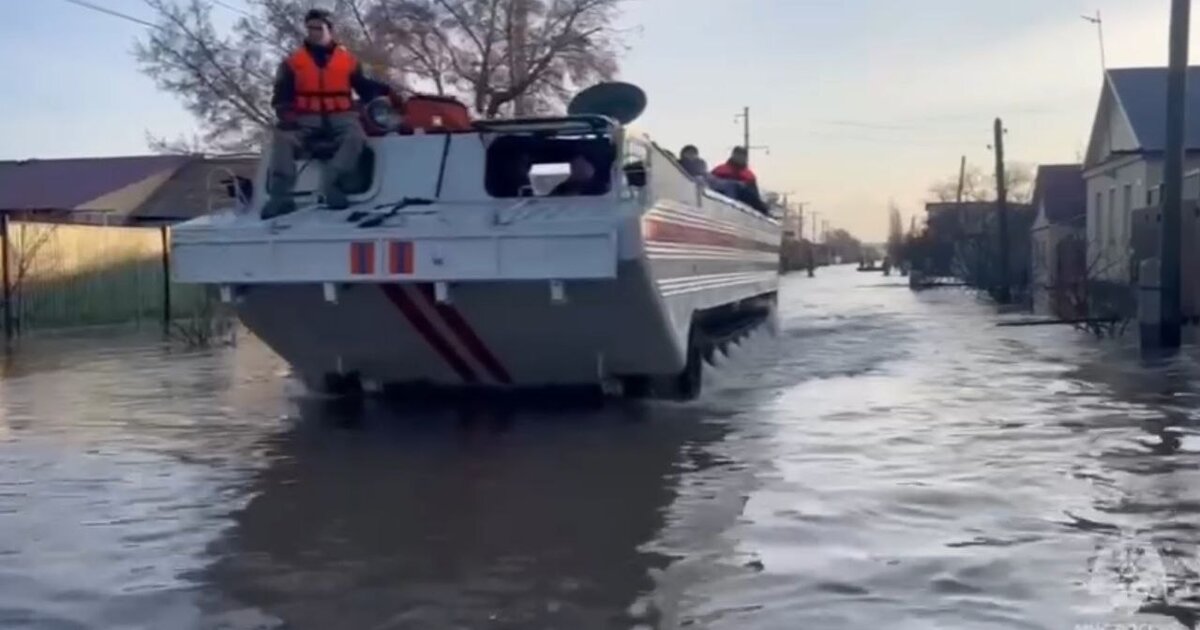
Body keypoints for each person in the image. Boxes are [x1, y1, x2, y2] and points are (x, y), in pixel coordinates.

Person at [262, 9, 395, 219]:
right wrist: (287, 116)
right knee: (282, 138)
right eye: (310, 28)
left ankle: (331, 182)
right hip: (305, 118)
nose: (314, 32)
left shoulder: (348, 61)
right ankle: (280, 197)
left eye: (318, 27)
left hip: (341, 116)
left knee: (356, 137)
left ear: (329, 30)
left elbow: (362, 87)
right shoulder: (292, 63)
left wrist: (385, 91)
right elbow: (281, 96)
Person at [710, 146, 768, 214]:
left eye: (742, 156)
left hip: (743, 204)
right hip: (720, 202)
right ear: (733, 155)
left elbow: (754, 196)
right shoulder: (719, 170)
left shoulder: (749, 176)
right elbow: (711, 185)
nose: (739, 158)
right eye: (738, 155)